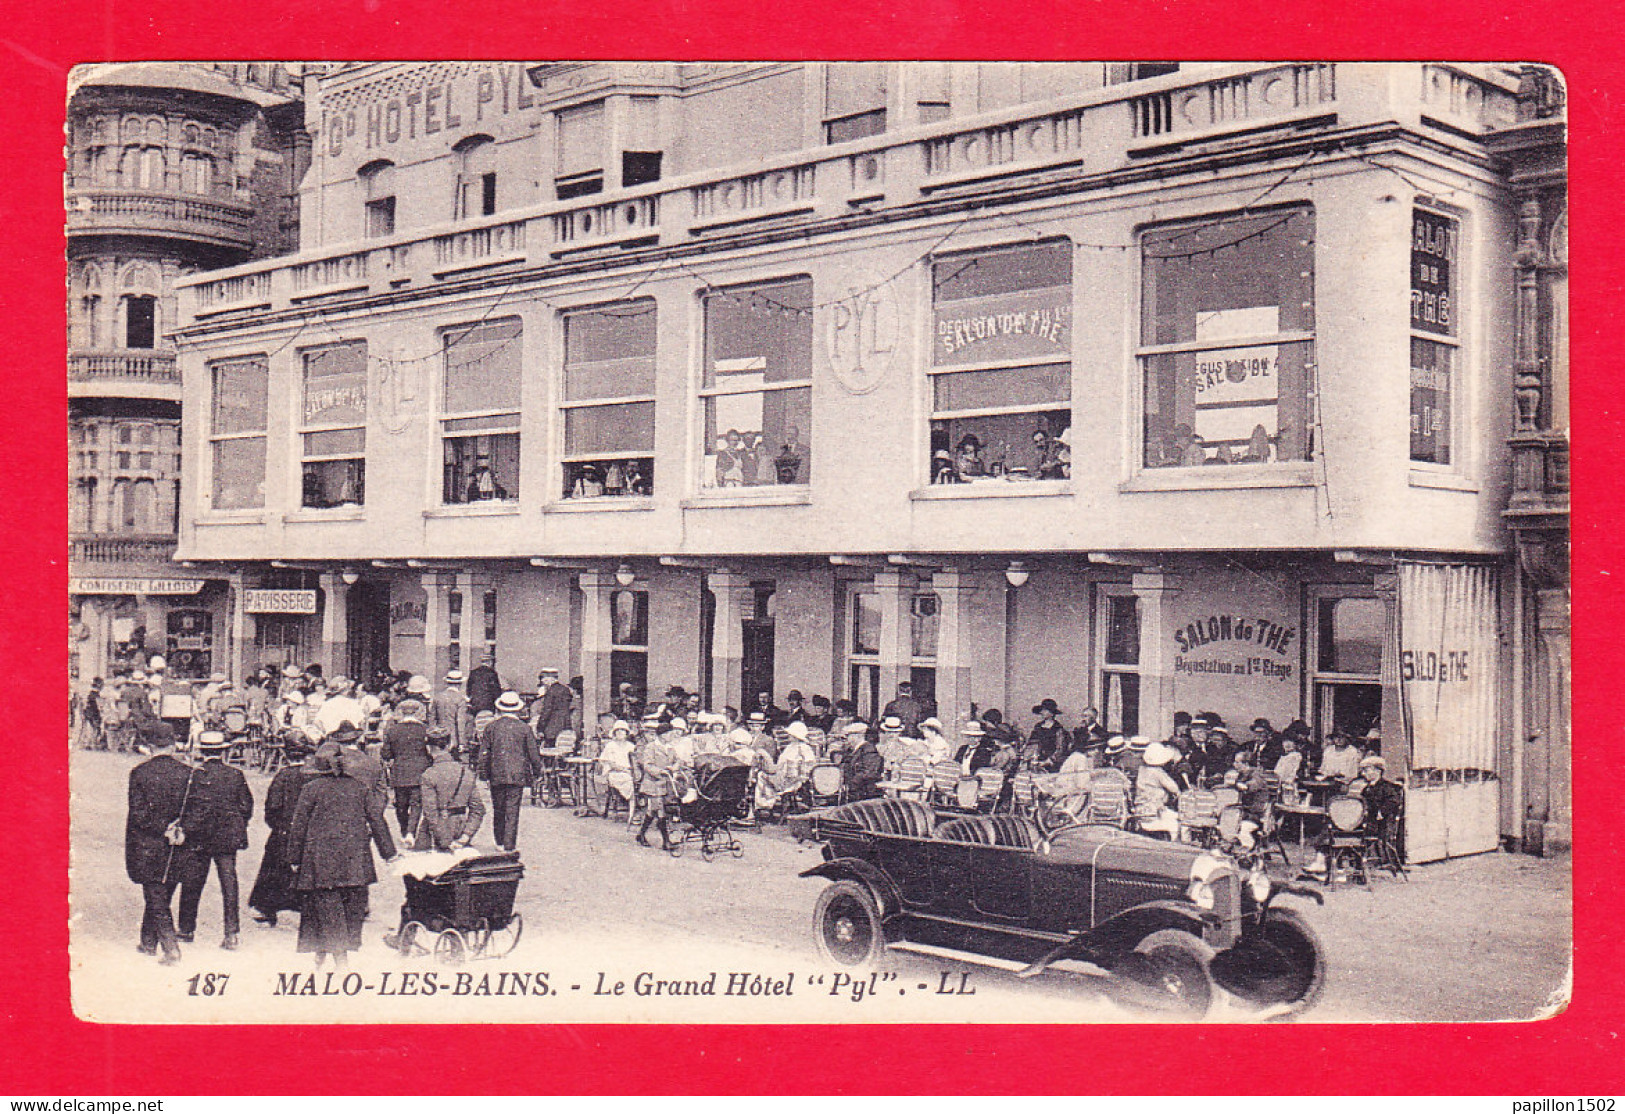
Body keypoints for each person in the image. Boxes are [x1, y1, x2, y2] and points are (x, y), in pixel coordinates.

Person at [287, 743, 398, 969]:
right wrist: (389, 854)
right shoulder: (359, 787)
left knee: (323, 906)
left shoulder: (311, 789)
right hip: (354, 859)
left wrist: (294, 858)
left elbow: (299, 825)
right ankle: (333, 953)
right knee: (349, 909)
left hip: (320, 860)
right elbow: (377, 820)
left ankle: (334, 957)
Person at [124, 723, 196, 965]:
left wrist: (161, 828)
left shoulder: (139, 773)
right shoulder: (189, 774)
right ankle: (147, 942)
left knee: (156, 895)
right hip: (179, 843)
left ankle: (171, 949)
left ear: (150, 746)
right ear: (174, 745)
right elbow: (196, 811)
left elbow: (138, 814)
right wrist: (179, 828)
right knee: (162, 892)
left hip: (148, 844)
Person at [175, 731, 254, 951]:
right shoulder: (235, 774)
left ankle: (186, 928)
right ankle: (231, 934)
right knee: (229, 885)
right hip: (227, 838)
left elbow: (187, 806)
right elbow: (246, 806)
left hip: (199, 837)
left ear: (201, 751)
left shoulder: (195, 775)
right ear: (223, 751)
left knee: (192, 882)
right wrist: (236, 825)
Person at [248, 733, 321, 927]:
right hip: (311, 834)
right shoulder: (316, 777)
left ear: (286, 754)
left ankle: (267, 909)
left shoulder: (283, 776)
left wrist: (278, 826)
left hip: (284, 833)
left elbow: (272, 807)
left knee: (273, 867)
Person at [476, 692, 538, 852]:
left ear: (500, 708)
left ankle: (499, 841)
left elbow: (484, 753)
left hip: (496, 773)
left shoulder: (491, 727)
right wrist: (537, 773)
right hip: (517, 774)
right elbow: (533, 754)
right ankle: (509, 844)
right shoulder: (524, 728)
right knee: (513, 809)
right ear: (518, 709)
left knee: (498, 808)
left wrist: (483, 775)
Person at [415, 728, 487, 851]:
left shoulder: (429, 775)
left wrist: (444, 839)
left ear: (428, 748)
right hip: (460, 830)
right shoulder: (466, 772)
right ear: (449, 746)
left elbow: (430, 813)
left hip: (434, 836)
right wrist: (466, 836)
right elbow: (478, 809)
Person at [380, 697, 432, 839]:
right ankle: (411, 831)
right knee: (416, 803)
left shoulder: (392, 730)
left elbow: (385, 754)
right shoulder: (424, 730)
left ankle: (404, 830)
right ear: (416, 713)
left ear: (402, 713)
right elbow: (429, 752)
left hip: (400, 772)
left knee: (401, 804)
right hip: (420, 770)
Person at [633, 718, 679, 850]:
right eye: (670, 734)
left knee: (652, 810)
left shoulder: (670, 748)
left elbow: (677, 761)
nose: (672, 736)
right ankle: (666, 841)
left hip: (667, 783)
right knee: (660, 811)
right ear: (663, 735)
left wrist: (673, 768)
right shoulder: (651, 747)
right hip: (653, 783)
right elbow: (647, 766)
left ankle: (641, 834)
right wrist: (661, 771)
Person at [1134, 742, 1183, 838]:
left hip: (1141, 808)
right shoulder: (1159, 772)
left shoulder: (1142, 770)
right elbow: (1174, 788)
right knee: (1176, 823)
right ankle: (1174, 843)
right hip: (1155, 808)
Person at [597, 720, 637, 819]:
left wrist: (631, 770)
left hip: (630, 771)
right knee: (630, 781)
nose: (620, 732)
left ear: (626, 733)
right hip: (615, 772)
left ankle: (638, 807)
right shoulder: (610, 746)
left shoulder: (631, 746)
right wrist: (624, 770)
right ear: (614, 733)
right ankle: (634, 810)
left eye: (622, 730)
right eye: (617, 730)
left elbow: (636, 761)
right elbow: (610, 763)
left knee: (638, 780)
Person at [432, 669, 470, 758]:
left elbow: (432, 717)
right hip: (453, 737)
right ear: (459, 684)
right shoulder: (460, 699)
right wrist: (462, 742)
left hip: (439, 735)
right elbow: (460, 722)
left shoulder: (438, 697)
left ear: (447, 683)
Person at [531, 666, 574, 745]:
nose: (543, 681)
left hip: (551, 729)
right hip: (565, 725)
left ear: (551, 678)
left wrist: (539, 728)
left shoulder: (551, 691)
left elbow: (547, 710)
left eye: (544, 679)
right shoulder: (565, 689)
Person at [843, 723, 883, 800]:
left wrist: (850, 785)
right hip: (851, 791)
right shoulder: (851, 750)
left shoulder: (869, 750)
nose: (846, 739)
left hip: (863, 793)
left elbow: (868, 773)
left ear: (856, 736)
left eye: (848, 736)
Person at [1027, 699, 1067, 769]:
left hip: (1050, 763)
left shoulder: (1058, 728)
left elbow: (1060, 749)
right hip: (1035, 760)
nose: (1042, 712)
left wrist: (1047, 762)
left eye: (1045, 710)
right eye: (1042, 710)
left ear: (1051, 713)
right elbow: (1032, 743)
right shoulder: (1038, 726)